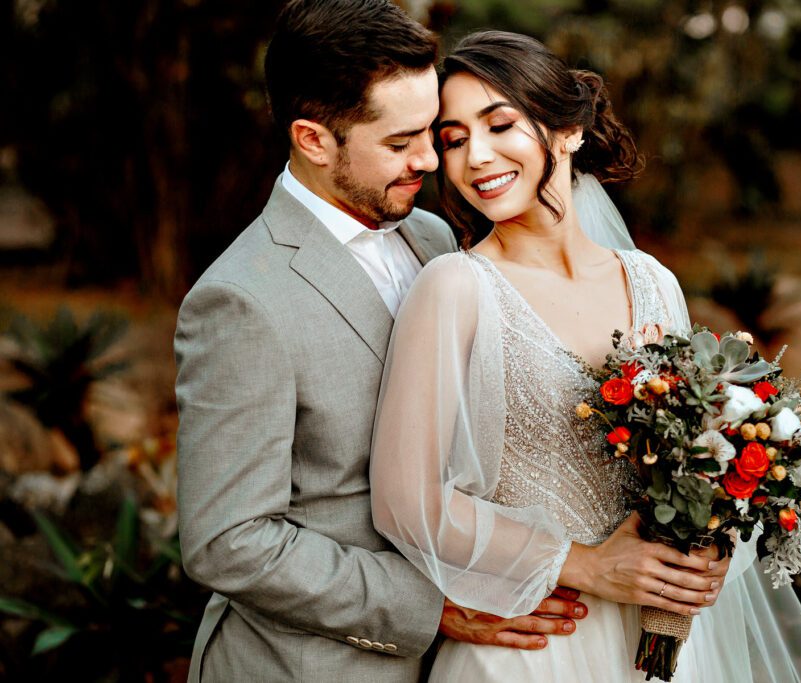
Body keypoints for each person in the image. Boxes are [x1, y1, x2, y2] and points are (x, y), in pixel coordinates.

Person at [370, 31, 801, 681]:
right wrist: (584, 563)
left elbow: (700, 458)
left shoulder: (651, 281)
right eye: (452, 139)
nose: (476, 155)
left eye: (499, 123)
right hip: (534, 646)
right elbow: (403, 500)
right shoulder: (455, 288)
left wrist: (711, 542)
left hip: (659, 641)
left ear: (567, 132)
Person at [174, 5, 594, 681]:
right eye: (401, 143)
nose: (431, 160)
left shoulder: (432, 238)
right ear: (314, 139)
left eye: (432, 131)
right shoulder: (242, 301)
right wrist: (428, 606)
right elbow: (229, 541)